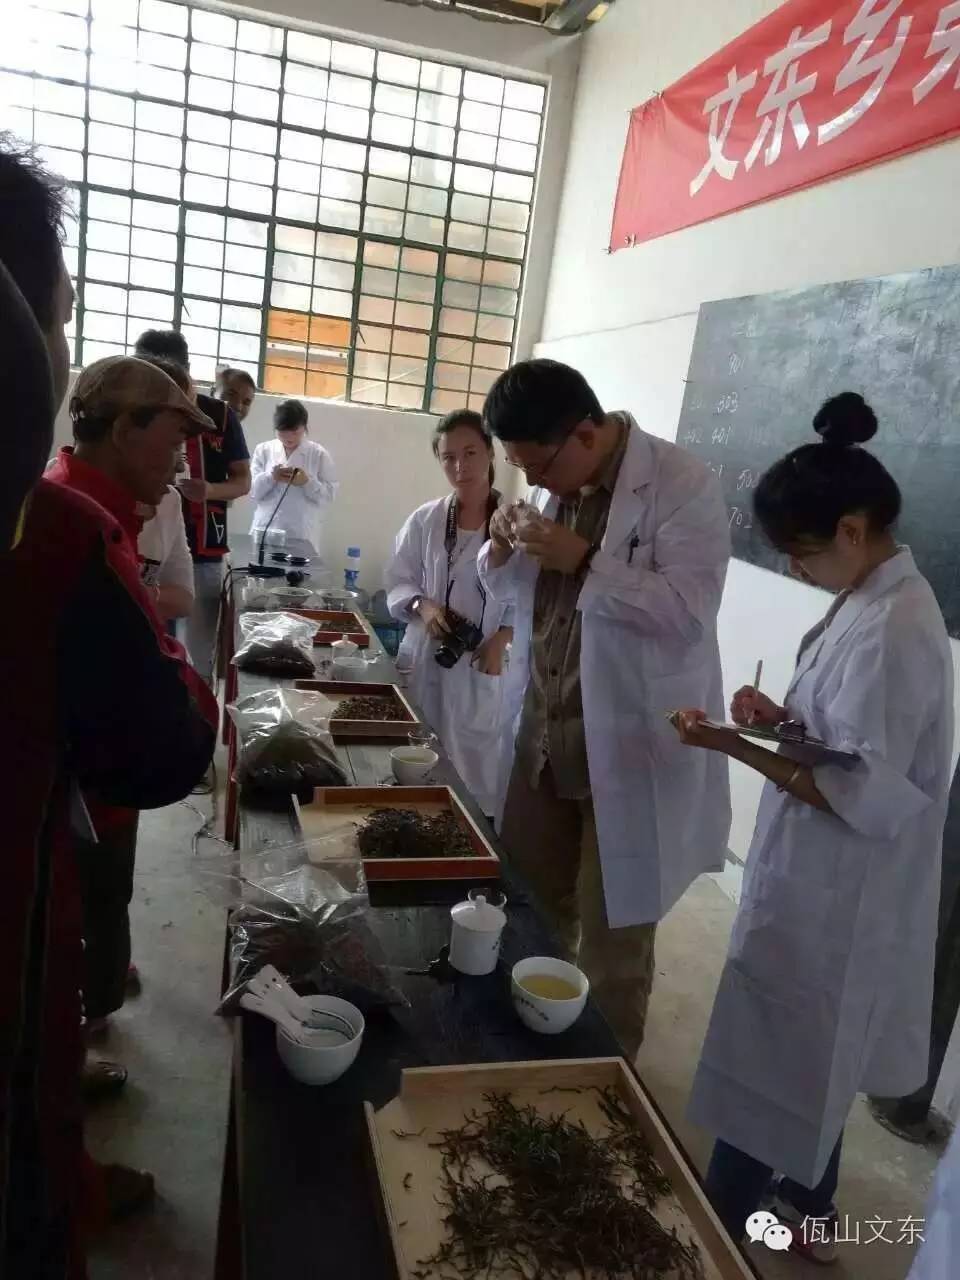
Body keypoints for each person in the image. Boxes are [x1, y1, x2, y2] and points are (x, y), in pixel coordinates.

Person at [0, 136, 217, 1277]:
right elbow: (166, 740)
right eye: (55, 317)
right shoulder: (67, 531)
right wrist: (193, 681)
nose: (184, 459)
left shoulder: (65, 512)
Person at [671, 393, 953, 1263]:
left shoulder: (899, 626)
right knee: (801, 1062)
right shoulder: (869, 597)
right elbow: (844, 740)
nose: (796, 571)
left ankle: (713, 1238)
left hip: (842, 898)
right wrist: (781, 719)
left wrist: (733, 744)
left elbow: (861, 793)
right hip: (811, 877)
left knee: (775, 1070)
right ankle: (813, 1211)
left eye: (801, 553)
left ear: (853, 530)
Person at [478, 359, 731, 1059]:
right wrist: (499, 545)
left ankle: (605, 1083)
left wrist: (586, 560)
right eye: (520, 468)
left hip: (624, 749)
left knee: (613, 945)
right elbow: (513, 593)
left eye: (537, 465)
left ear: (585, 434)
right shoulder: (556, 484)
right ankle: (527, 1057)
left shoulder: (682, 485)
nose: (533, 481)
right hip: (542, 735)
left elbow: (689, 613)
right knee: (529, 909)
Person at [47, 356, 213, 1057]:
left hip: (91, 785)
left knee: (98, 903)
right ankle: (78, 1035)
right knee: (73, 914)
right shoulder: (79, 528)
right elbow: (147, 692)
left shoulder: (94, 511)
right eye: (173, 440)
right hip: (81, 793)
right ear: (122, 431)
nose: (181, 460)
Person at [385, 411, 513, 815]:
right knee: (416, 771)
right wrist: (422, 605)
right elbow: (398, 580)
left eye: (471, 453)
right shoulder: (426, 520)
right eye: (449, 457)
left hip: (480, 668)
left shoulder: (514, 524)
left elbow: (534, 598)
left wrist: (503, 637)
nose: (461, 467)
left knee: (473, 788)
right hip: (427, 657)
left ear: (490, 452)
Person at [133, 329, 251, 684]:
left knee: (199, 654)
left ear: (185, 371)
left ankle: (192, 708)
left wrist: (209, 490)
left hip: (203, 547)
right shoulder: (131, 412)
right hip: (142, 543)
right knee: (147, 645)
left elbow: (243, 481)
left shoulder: (221, 416)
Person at [249, 398, 338, 556]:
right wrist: (271, 477)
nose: (289, 438)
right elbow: (253, 491)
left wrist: (307, 482)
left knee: (298, 570)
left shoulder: (318, 454)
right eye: (282, 433)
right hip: (266, 530)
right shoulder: (263, 450)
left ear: (304, 427)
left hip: (301, 533)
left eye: (295, 432)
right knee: (260, 568)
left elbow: (329, 496)